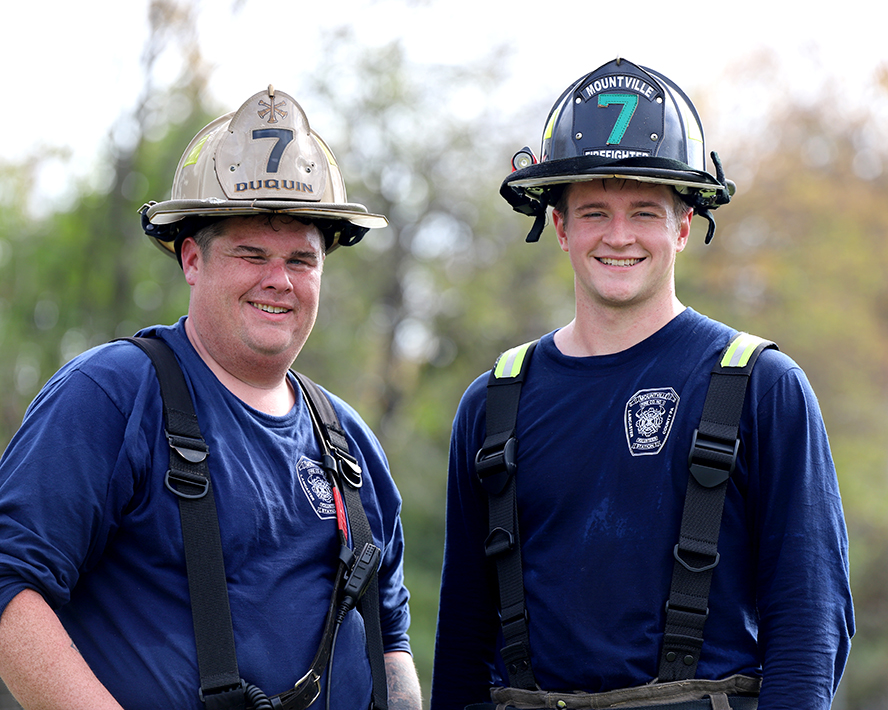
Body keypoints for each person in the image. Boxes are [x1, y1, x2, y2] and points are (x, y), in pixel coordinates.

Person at [431, 58, 853, 710]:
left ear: (683, 226)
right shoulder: (492, 406)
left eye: (645, 211)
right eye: (595, 211)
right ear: (561, 226)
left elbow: (808, 621)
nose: (620, 236)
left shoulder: (762, 388)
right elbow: (463, 639)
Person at [0, 86, 422, 710]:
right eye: (251, 253)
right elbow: (10, 583)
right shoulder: (114, 395)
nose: (278, 280)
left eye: (300, 261)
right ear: (192, 259)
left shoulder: (351, 440)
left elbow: (391, 642)